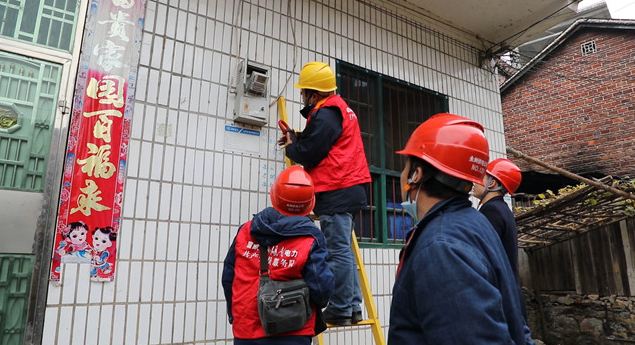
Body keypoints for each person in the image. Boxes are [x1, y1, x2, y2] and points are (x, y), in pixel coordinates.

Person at [388, 113, 534, 345]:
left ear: (417, 174)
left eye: (406, 167)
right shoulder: (474, 223)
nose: (402, 175)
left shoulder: (441, 247)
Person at [278, 61, 371, 325]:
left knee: (337, 250)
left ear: (314, 94)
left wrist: (291, 149)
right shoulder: (336, 110)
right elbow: (316, 139)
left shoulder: (327, 112)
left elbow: (311, 152)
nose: (302, 97)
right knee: (344, 250)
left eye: (304, 92)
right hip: (349, 187)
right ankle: (352, 307)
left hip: (337, 188)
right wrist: (296, 137)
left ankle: (341, 308)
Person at [221, 166, 334, 344]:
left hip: (246, 331)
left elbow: (228, 278)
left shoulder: (245, 231)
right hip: (293, 331)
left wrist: (235, 316)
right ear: (310, 203)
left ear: (274, 196)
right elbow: (321, 289)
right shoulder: (310, 239)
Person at [473, 158, 531, 321]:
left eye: (481, 177)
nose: (474, 181)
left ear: (491, 184)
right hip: (509, 295)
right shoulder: (501, 209)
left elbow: (484, 258)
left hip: (501, 299)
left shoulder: (491, 211)